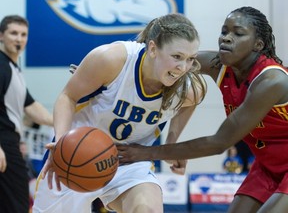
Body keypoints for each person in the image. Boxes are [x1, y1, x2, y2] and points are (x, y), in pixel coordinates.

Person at [117, 6, 288, 213]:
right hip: (267, 164)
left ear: (257, 45)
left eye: (238, 33)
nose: (226, 38)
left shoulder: (272, 81)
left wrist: (145, 153)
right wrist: (111, 74)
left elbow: (219, 143)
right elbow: (158, 57)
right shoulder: (220, 66)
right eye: (224, 31)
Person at [32, 13, 207, 213]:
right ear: (152, 49)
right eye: (177, 57)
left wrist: (171, 142)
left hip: (129, 160)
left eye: (190, 59)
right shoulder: (112, 59)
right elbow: (67, 97)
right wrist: (62, 145)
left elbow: (190, 103)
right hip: (78, 155)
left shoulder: (188, 88)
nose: (183, 67)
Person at [0, 15, 53, 213]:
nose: (19, 39)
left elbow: (31, 107)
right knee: (17, 205)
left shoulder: (13, 69)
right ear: (1, 36)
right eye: (13, 33)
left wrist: (68, 120)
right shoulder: (1, 66)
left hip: (10, 144)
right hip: (4, 143)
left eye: (23, 34)